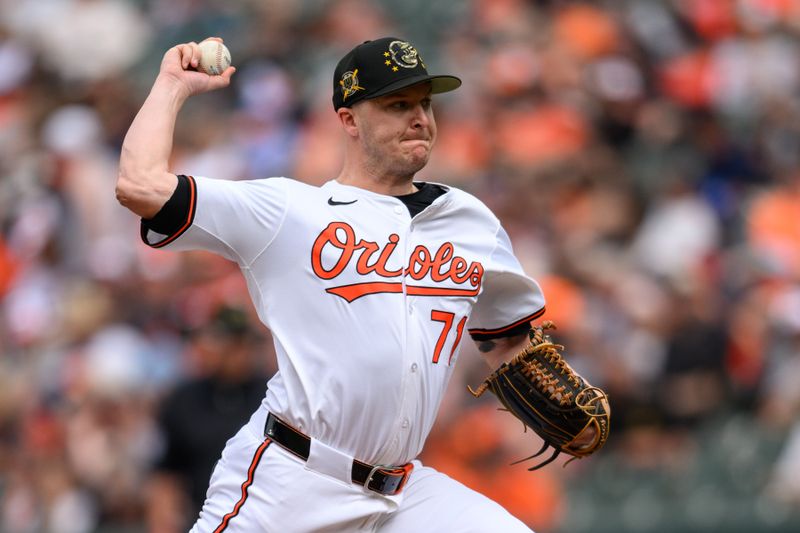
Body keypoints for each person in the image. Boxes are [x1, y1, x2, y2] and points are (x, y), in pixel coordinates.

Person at [116, 36, 583, 532]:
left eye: (425, 102)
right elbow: (139, 185)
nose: (419, 117)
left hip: (404, 496)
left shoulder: (471, 223)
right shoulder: (290, 212)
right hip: (293, 482)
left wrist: (551, 390)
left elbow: (509, 341)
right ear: (348, 120)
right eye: (397, 104)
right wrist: (170, 86)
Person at [146, 305, 271, 532]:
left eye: (238, 344)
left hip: (264, 518)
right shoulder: (184, 399)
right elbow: (166, 475)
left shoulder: (271, 394)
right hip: (205, 519)